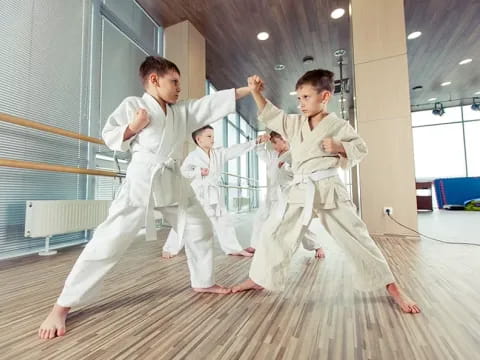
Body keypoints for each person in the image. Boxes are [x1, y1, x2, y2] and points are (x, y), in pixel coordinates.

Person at [38, 56, 254, 340]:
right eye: (174, 82)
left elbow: (209, 105)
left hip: (173, 182)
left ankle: (203, 282)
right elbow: (111, 136)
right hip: (143, 181)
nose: (179, 88)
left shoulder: (181, 111)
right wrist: (134, 127)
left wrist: (248, 90)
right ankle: (62, 305)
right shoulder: (133, 106)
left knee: (199, 226)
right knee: (108, 241)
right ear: (154, 80)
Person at [232, 71, 420, 315]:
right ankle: (260, 278)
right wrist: (256, 92)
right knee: (273, 231)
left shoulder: (339, 126)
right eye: (298, 98)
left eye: (306, 97)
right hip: (301, 189)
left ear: (325, 96)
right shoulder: (295, 123)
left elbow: (361, 148)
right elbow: (272, 114)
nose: (300, 104)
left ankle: (393, 287)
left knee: (356, 237)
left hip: (329, 188)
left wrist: (340, 146)